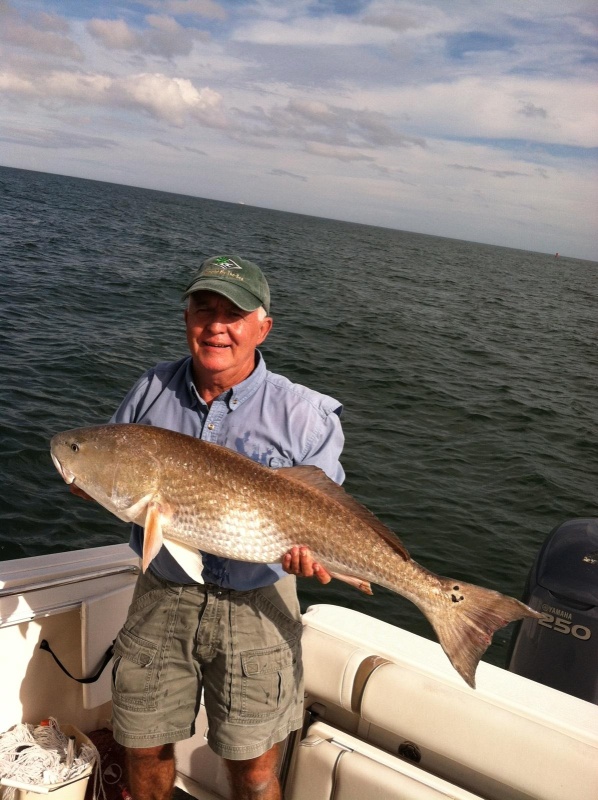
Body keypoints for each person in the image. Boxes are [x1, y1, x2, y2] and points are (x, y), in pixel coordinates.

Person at [75, 255, 345, 800]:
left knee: (255, 766)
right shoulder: (151, 390)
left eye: (234, 313)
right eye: (204, 309)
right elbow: (106, 469)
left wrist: (318, 555)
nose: (216, 325)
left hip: (259, 604)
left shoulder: (307, 414)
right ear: (186, 318)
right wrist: (87, 473)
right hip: (163, 594)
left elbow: (330, 511)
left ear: (262, 327)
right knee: (143, 744)